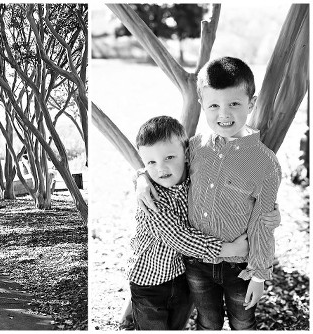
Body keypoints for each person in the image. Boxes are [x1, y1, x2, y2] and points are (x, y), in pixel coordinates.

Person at [136, 57, 282, 330]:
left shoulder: (265, 163)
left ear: (251, 103)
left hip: (240, 265)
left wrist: (259, 276)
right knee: (207, 322)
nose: (223, 114)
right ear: (202, 103)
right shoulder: (195, 147)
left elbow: (264, 222)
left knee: (242, 322)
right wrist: (141, 178)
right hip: (196, 264)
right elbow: (164, 164)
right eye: (214, 105)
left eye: (234, 104)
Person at [129, 115, 252, 330]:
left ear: (186, 154)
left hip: (181, 277)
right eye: (151, 163)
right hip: (150, 286)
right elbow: (180, 239)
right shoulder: (153, 200)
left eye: (169, 157)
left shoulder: (191, 179)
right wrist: (229, 248)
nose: (161, 168)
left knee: (177, 326)